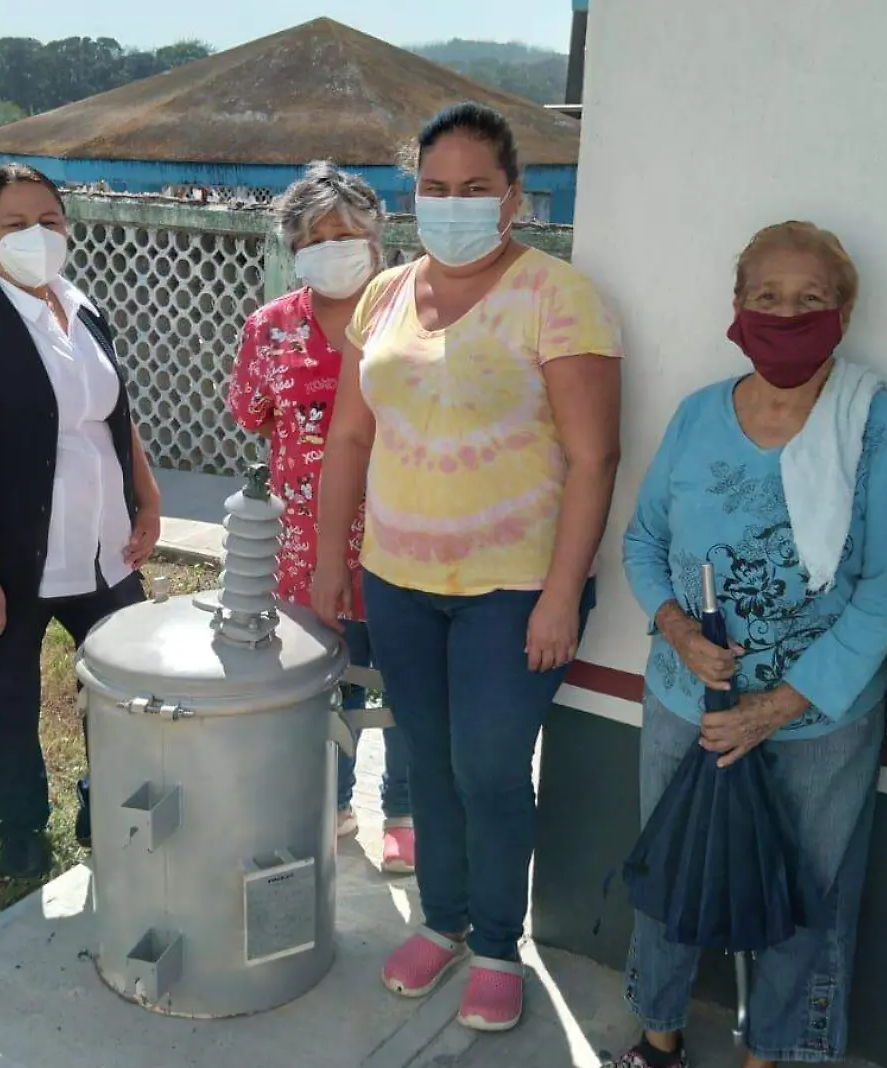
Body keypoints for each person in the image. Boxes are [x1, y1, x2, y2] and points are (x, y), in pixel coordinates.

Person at [312, 102, 623, 1032]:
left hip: (514, 588)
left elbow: (595, 457)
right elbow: (350, 435)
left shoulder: (558, 295)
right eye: (434, 188)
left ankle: (497, 942)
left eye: (474, 189)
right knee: (432, 762)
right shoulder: (385, 293)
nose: (452, 204)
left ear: (514, 197)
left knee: (489, 769)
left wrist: (561, 596)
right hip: (400, 578)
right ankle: (441, 922)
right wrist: (334, 557)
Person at [611, 223, 887, 1068]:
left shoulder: (882, 431)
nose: (786, 314)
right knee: (672, 875)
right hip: (688, 704)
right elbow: (643, 541)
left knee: (809, 899)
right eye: (767, 297)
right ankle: (657, 1036)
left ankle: (776, 1055)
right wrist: (677, 628)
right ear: (737, 310)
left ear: (845, 312)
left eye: (810, 299)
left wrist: (778, 706)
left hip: (819, 722)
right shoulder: (696, 415)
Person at [0, 163, 162, 881]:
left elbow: (110, 417)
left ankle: (102, 800)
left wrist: (147, 497)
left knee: (125, 690)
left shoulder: (78, 306)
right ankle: (19, 826)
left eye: (49, 219)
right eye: (15, 224)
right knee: (7, 695)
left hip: (102, 551)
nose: (35, 236)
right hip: (5, 559)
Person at [228, 161, 415, 873]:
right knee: (322, 683)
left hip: (405, 538)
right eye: (319, 235)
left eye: (349, 233)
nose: (335, 246)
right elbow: (250, 414)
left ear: (377, 239)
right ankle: (331, 802)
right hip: (306, 548)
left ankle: (403, 812)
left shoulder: (413, 317)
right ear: (293, 246)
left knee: (402, 684)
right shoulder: (269, 329)